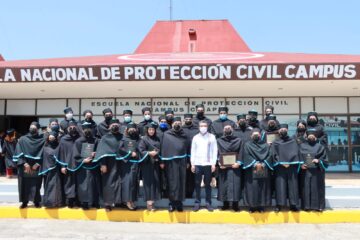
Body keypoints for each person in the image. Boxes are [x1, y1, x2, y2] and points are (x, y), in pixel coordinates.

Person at [13, 122, 45, 208]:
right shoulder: (23, 139)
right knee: (24, 184)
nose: (32, 129)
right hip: (24, 165)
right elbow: (18, 151)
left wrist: (38, 163)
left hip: (37, 166)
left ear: (38, 129)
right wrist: (24, 163)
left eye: (34, 128)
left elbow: (45, 152)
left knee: (36, 184)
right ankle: (24, 202)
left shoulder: (42, 140)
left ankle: (36, 201)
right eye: (31, 127)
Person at [272, 124, 303, 212]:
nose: (282, 130)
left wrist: (290, 163)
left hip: (291, 167)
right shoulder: (275, 142)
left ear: (287, 130)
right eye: (281, 129)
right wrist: (281, 163)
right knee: (280, 186)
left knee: (293, 186)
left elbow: (297, 152)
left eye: (284, 129)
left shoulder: (293, 141)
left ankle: (293, 205)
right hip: (280, 167)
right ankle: (279, 205)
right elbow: (274, 154)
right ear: (279, 131)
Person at [160, 117, 189, 212]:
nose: (177, 124)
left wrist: (188, 161)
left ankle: (179, 203)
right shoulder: (166, 134)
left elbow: (187, 148)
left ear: (181, 124)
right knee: (172, 182)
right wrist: (162, 161)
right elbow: (163, 148)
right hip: (170, 162)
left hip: (182, 161)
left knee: (181, 182)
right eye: (175, 122)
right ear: (172, 124)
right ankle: (172, 203)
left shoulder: (184, 134)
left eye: (179, 123)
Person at [95, 118, 124, 211]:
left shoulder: (122, 137)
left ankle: (119, 201)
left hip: (121, 163)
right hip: (108, 164)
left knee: (120, 183)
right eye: (112, 125)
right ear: (109, 126)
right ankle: (108, 203)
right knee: (108, 183)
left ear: (119, 126)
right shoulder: (105, 138)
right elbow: (102, 152)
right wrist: (103, 164)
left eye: (116, 125)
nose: (114, 126)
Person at [71, 122, 101, 210]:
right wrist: (83, 160)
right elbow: (75, 155)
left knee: (94, 185)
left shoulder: (96, 140)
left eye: (89, 129)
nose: (87, 131)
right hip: (83, 167)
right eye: (85, 129)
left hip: (94, 167)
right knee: (83, 186)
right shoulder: (78, 141)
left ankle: (95, 202)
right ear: (82, 130)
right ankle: (84, 203)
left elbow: (100, 152)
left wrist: (96, 154)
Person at [242, 129, 273, 212]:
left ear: (260, 135)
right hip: (251, 170)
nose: (256, 136)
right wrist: (255, 163)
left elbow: (270, 155)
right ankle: (252, 207)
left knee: (263, 188)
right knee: (252, 188)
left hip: (264, 168)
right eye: (254, 134)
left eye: (257, 134)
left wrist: (264, 164)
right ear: (251, 136)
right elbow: (245, 155)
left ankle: (261, 206)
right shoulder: (247, 145)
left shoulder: (266, 145)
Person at [190, 120, 217, 212]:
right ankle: (197, 203)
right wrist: (192, 163)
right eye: (201, 126)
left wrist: (213, 163)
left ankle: (208, 203)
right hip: (197, 163)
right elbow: (193, 151)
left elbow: (214, 151)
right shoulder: (195, 137)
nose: (203, 127)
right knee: (197, 184)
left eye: (205, 125)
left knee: (208, 184)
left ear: (207, 126)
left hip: (208, 164)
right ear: (199, 127)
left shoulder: (212, 137)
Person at [299, 128, 328, 212]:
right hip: (305, 172)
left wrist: (318, 161)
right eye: (309, 136)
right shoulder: (301, 146)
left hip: (317, 172)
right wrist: (301, 165)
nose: (311, 137)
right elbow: (298, 157)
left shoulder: (320, 147)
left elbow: (325, 160)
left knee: (317, 188)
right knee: (306, 188)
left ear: (315, 137)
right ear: (307, 136)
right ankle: (306, 206)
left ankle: (318, 206)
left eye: (312, 136)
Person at [217, 124, 243, 211]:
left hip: (235, 167)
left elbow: (241, 152)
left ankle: (235, 204)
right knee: (224, 185)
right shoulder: (219, 141)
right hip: (224, 167)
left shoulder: (238, 140)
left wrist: (238, 163)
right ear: (223, 130)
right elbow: (217, 153)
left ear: (232, 129)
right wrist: (220, 163)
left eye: (229, 128)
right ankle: (225, 204)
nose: (227, 129)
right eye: (225, 128)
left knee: (235, 185)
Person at [138, 122, 161, 211]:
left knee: (155, 182)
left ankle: (153, 202)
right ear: (147, 130)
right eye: (150, 129)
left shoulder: (157, 139)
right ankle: (149, 203)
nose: (151, 131)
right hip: (147, 164)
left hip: (155, 164)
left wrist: (158, 154)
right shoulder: (143, 139)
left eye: (153, 130)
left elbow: (160, 149)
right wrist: (149, 153)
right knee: (148, 183)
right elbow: (141, 150)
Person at [57, 121, 80, 208]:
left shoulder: (80, 138)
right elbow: (61, 153)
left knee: (78, 183)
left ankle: (78, 201)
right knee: (69, 183)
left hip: (79, 165)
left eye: (74, 127)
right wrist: (63, 166)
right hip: (68, 165)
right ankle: (70, 201)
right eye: (70, 128)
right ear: (67, 129)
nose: (72, 129)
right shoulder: (63, 139)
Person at [118, 122, 141, 210]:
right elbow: (120, 150)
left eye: (133, 129)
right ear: (127, 130)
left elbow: (141, 149)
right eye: (130, 129)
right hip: (126, 164)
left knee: (134, 183)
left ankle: (132, 201)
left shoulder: (138, 139)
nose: (132, 130)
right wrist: (130, 154)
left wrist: (137, 154)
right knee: (127, 183)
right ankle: (127, 201)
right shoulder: (123, 139)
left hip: (135, 164)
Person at [40, 131, 63, 208]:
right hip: (47, 170)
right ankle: (48, 202)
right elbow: (43, 159)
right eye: (50, 138)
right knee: (48, 187)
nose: (51, 139)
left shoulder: (59, 147)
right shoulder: (44, 147)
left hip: (56, 170)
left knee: (56, 186)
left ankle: (57, 203)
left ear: (56, 138)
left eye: (53, 138)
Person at [182, 113, 199, 198]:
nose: (188, 120)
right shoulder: (181, 129)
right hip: (183, 157)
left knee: (192, 177)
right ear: (184, 120)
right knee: (184, 177)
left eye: (189, 119)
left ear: (192, 119)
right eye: (186, 119)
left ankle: (191, 193)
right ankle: (184, 193)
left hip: (194, 157)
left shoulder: (196, 129)